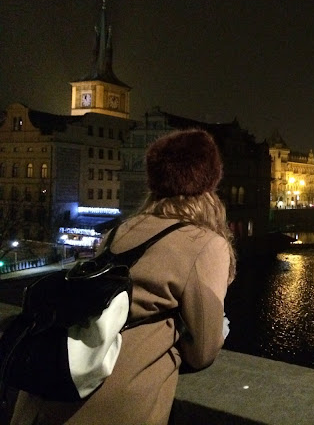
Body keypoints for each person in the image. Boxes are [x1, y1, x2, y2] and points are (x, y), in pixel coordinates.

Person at [10, 129, 235, 425]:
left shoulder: (118, 231)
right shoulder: (205, 243)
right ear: (209, 184)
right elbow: (203, 351)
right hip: (115, 406)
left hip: (47, 396)